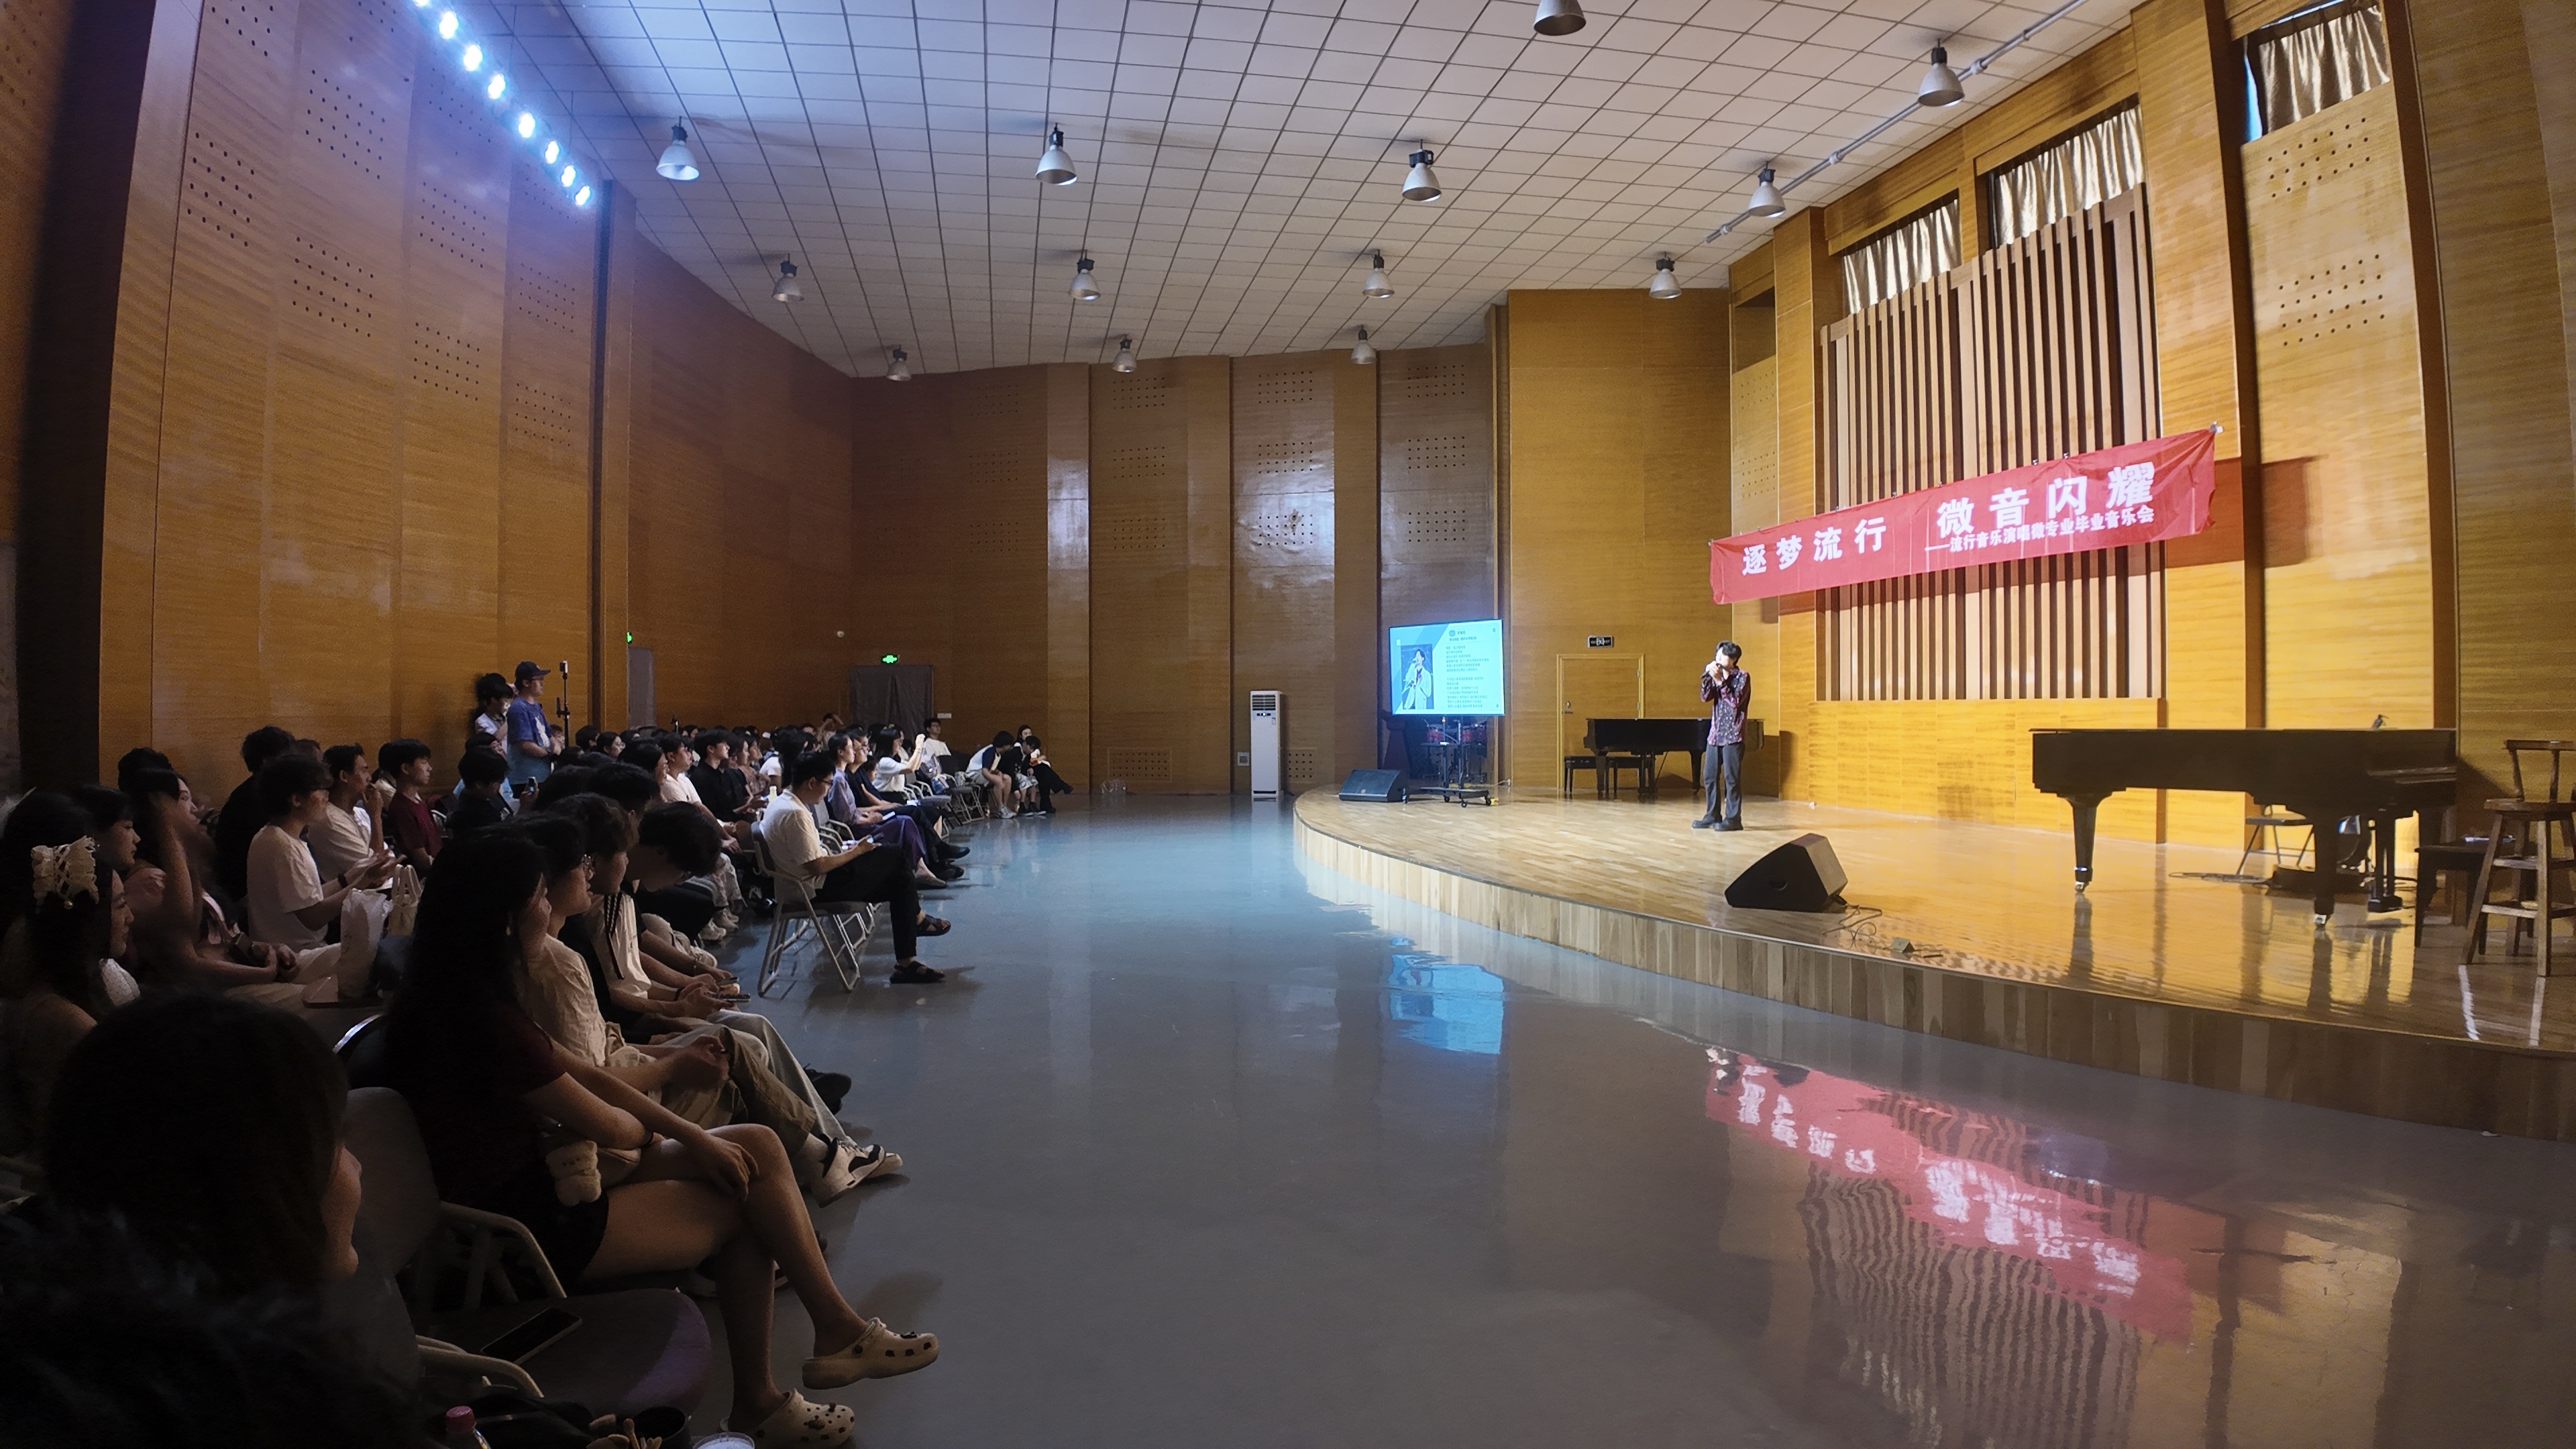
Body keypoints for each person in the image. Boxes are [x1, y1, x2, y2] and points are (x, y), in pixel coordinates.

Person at [376, 830, 934, 1444]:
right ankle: (763, 1399)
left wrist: (694, 1137)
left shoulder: (457, 992)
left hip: (538, 1179)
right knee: (746, 1198)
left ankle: (835, 1331)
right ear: (506, 920)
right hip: (527, 1225)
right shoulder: (482, 1021)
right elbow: (611, 1124)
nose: (549, 906)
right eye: (539, 896)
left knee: (753, 1144)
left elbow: (587, 1074)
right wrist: (663, 1125)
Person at [0, 796, 136, 1155]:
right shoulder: (62, 1017)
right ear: (89, 922)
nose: (130, 918)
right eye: (121, 906)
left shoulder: (76, 989)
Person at [763, 751, 949, 984]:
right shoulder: (795, 814)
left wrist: (846, 851)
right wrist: (856, 852)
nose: (828, 790)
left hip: (811, 882)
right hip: (814, 888)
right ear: (811, 783)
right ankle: (917, 921)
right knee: (896, 854)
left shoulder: (781, 803)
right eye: (828, 783)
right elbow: (816, 866)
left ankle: (906, 963)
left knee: (901, 882)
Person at [213, 724, 297, 904]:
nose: (292, 764)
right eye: (287, 758)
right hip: (249, 894)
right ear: (267, 762)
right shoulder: (257, 798)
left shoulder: (256, 791)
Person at [305, 744, 387, 884]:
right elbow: (375, 873)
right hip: (356, 895)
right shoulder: (328, 820)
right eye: (363, 771)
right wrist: (376, 817)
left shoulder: (361, 812)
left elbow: (389, 857)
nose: (369, 778)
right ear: (344, 776)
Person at [1693, 641, 1751, 832]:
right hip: (1715, 735)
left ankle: (1733, 819)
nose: (1717, 658)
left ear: (1733, 659)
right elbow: (1705, 697)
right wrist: (1708, 678)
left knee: (1731, 778)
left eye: (1722, 656)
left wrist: (1720, 681)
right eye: (1717, 655)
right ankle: (1712, 815)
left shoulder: (1742, 677)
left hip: (1733, 735)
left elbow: (1735, 702)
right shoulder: (1715, 675)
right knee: (1709, 776)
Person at [377, 737, 443, 872]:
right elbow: (422, 861)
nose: (430, 768)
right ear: (406, 768)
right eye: (424, 763)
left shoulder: (418, 800)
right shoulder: (402, 807)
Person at [506, 661, 559, 794]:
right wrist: (549, 755)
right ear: (526, 683)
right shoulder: (519, 708)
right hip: (526, 776)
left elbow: (548, 733)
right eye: (539, 680)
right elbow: (525, 743)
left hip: (541, 772)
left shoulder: (536, 706)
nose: (542, 684)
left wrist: (556, 747)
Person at [447, 745, 513, 835]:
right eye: (498, 782)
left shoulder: (487, 794)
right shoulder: (470, 816)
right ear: (479, 784)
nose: (500, 785)